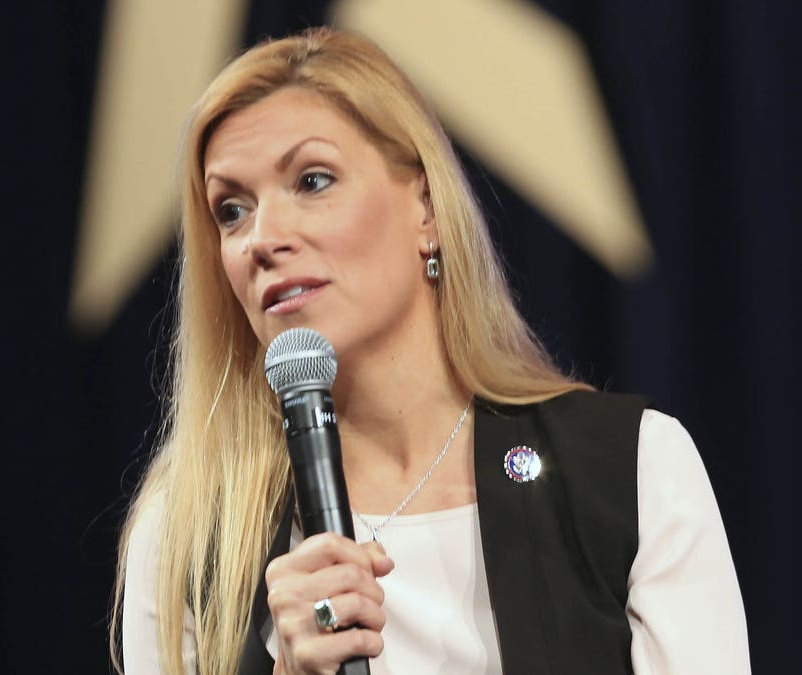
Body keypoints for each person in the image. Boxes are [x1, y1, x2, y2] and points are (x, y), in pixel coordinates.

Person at [112, 27, 750, 675]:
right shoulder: (187, 538)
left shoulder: (632, 471)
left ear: (426, 209)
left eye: (311, 179)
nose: (263, 238)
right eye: (231, 211)